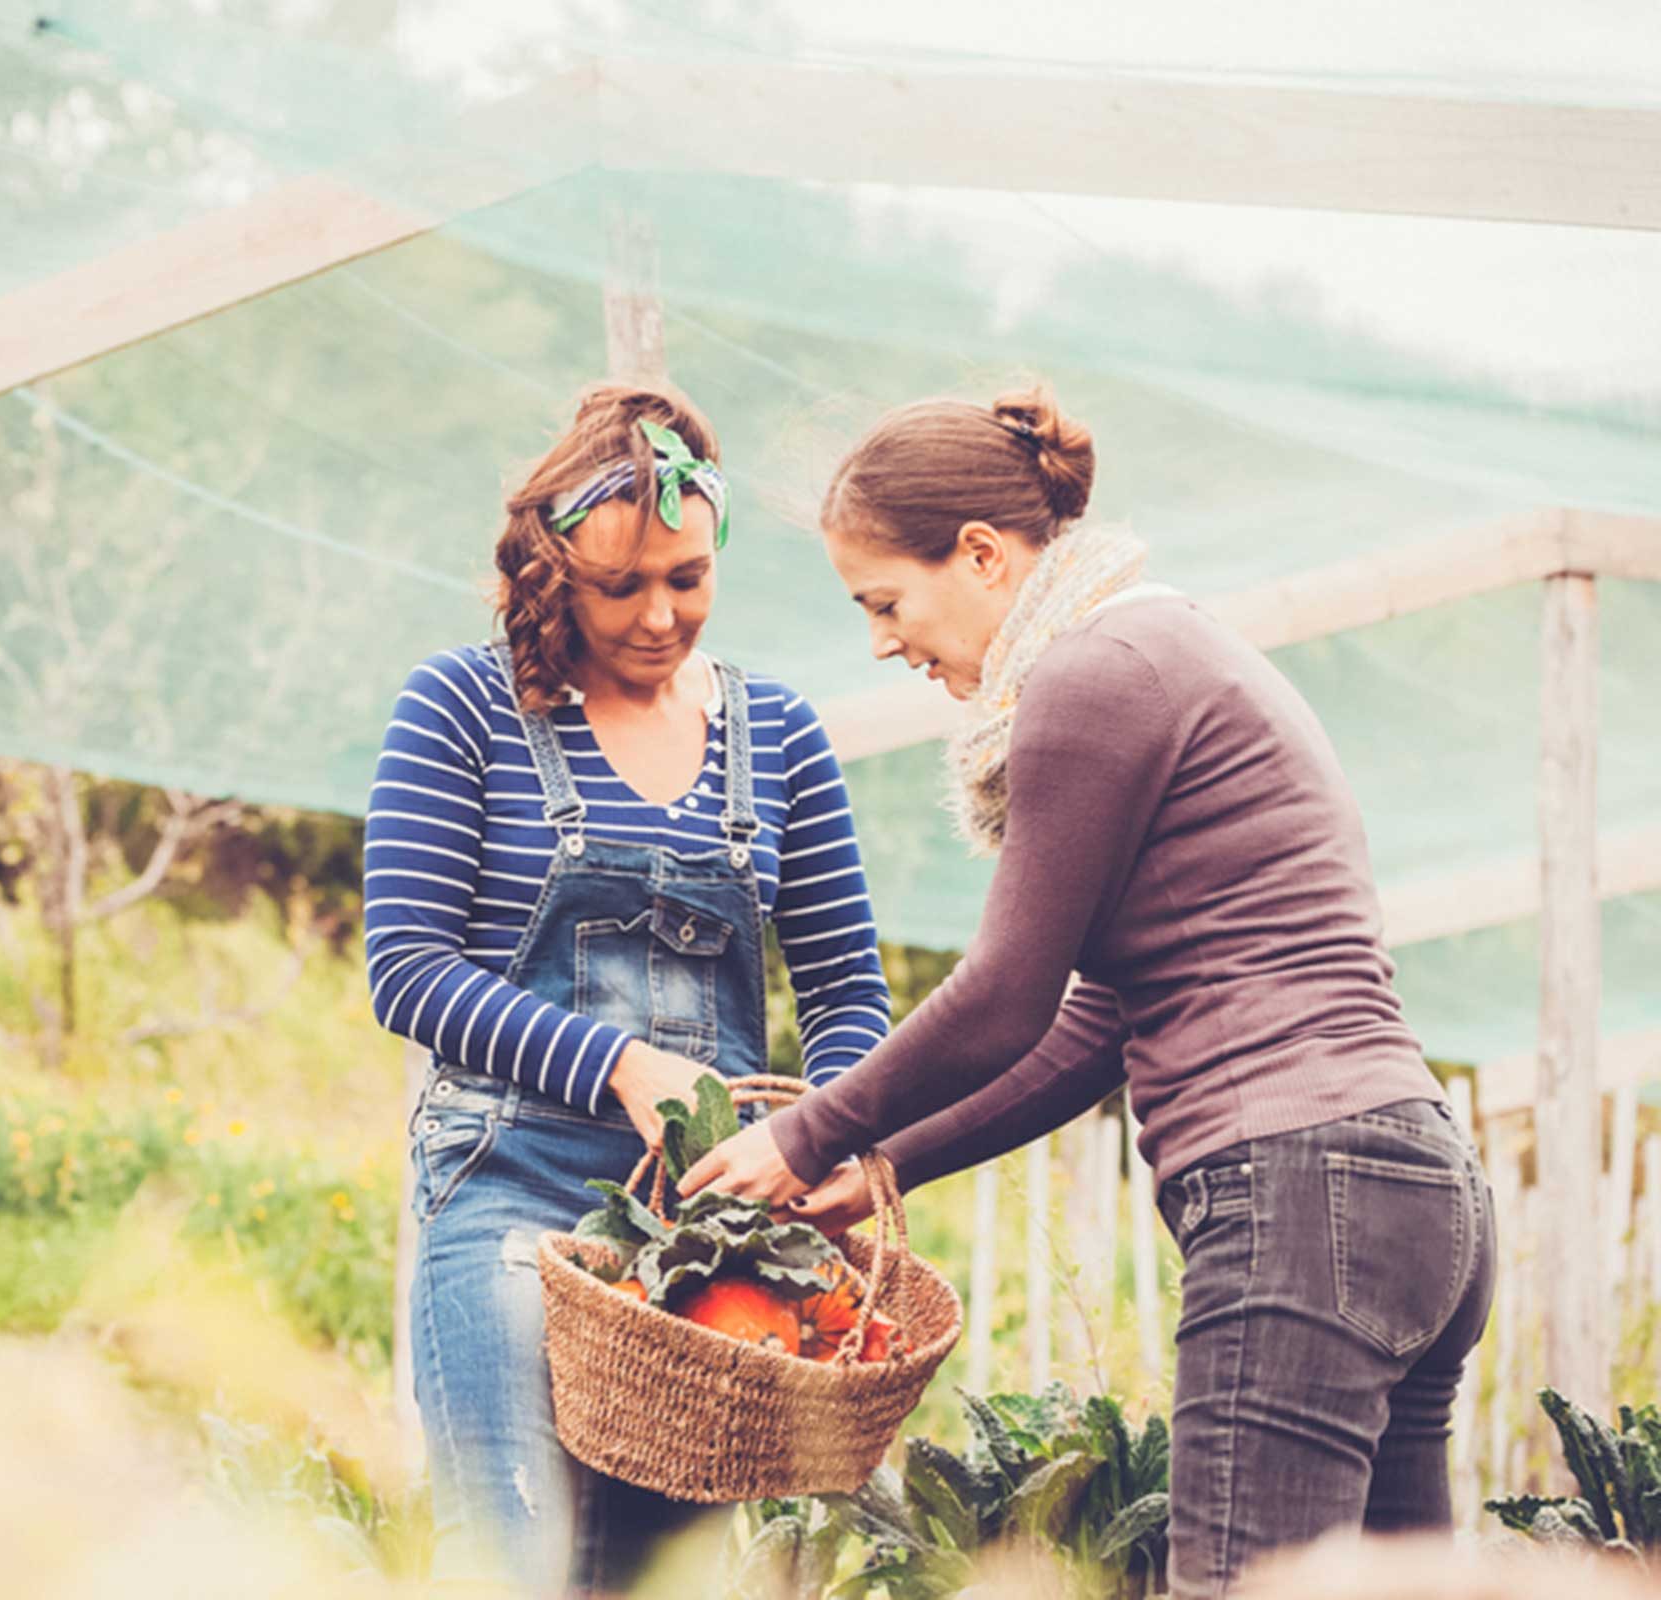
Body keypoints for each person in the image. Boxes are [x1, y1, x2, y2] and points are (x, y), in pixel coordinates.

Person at [681, 385, 1497, 1598]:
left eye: (886, 602)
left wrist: (808, 1133)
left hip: (1297, 1188)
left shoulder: (1087, 675)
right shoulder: (1166, 645)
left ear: (981, 554)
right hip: (1412, 1187)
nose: (885, 644)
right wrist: (886, 1162)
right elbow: (1096, 1025)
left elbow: (1006, 993)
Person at [364, 383, 894, 1594]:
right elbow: (408, 968)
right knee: (512, 1554)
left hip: (699, 1227)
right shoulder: (461, 708)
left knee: (654, 1578)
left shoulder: (781, 735)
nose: (662, 616)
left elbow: (848, 988)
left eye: (690, 579)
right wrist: (619, 1065)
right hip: (506, 1192)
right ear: (557, 569)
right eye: (621, 588)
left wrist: (831, 1126)